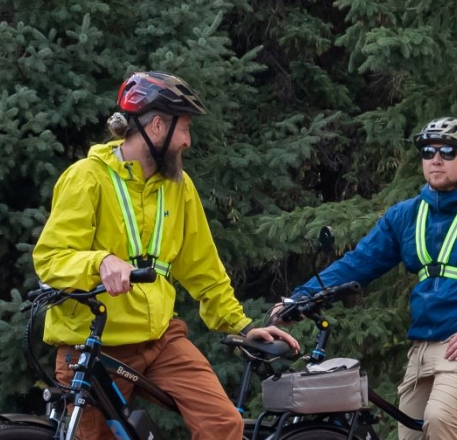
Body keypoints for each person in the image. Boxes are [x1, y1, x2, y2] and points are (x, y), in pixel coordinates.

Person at [31, 71, 299, 440]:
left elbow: (202, 266)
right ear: (157, 126)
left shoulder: (179, 187)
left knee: (223, 424)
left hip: (161, 339)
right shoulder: (87, 178)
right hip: (95, 344)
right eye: (184, 129)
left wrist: (241, 324)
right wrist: (100, 262)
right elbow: (50, 258)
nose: (188, 141)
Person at [270, 117, 457, 440]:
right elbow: (359, 262)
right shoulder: (406, 215)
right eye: (429, 153)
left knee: (439, 419)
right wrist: (299, 299)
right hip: (423, 348)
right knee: (411, 436)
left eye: (447, 152)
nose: (436, 160)